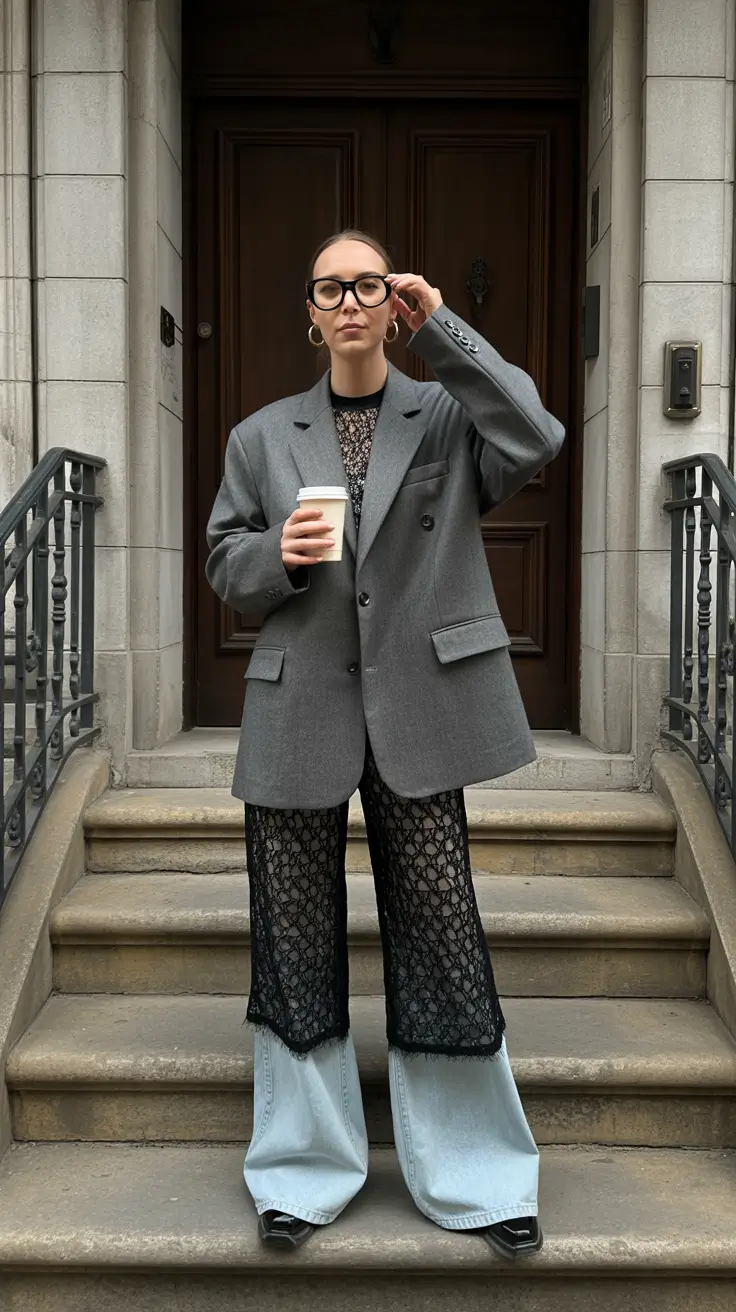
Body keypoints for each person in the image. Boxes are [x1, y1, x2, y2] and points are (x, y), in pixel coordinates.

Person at [205, 229, 565, 1258]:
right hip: (299, 703)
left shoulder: (446, 416)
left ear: (389, 302)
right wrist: (274, 552)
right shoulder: (262, 436)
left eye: (370, 284)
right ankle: (300, 1172)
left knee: (442, 936)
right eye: (332, 287)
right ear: (309, 312)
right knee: (293, 946)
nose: (352, 300)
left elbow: (534, 436)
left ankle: (479, 1175)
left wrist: (442, 331)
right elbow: (223, 558)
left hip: (421, 706)